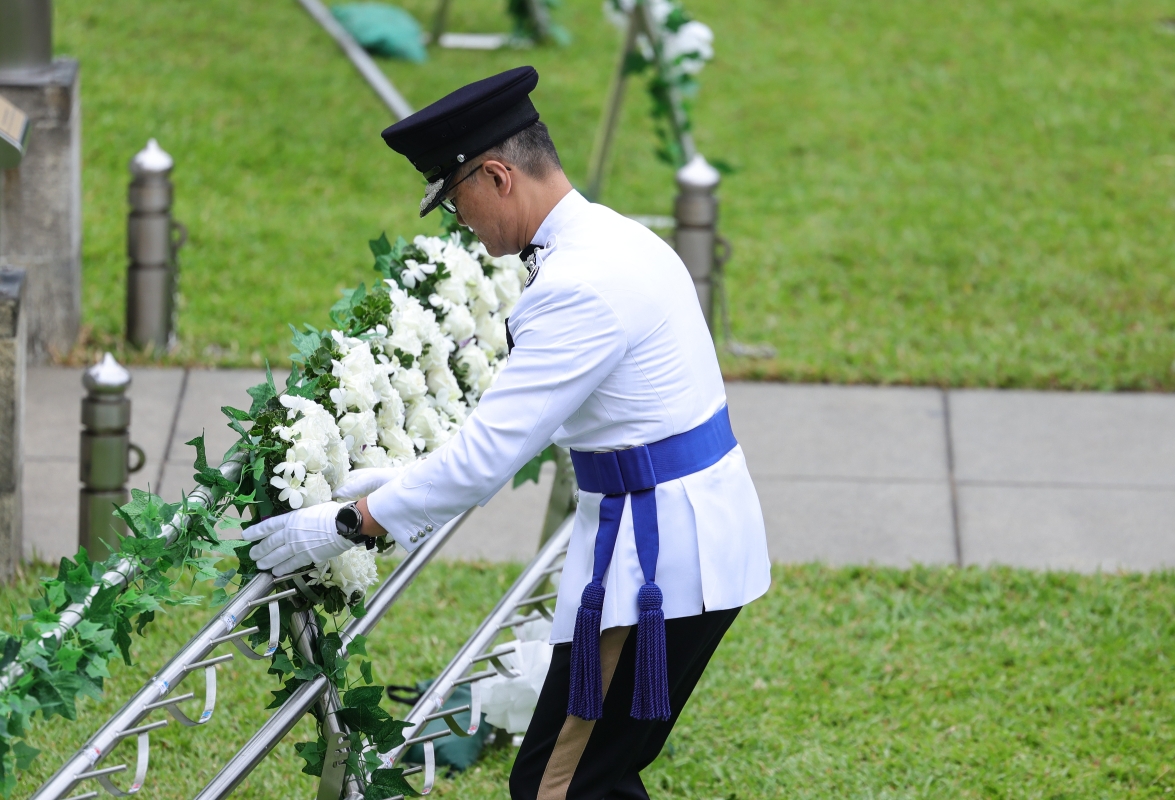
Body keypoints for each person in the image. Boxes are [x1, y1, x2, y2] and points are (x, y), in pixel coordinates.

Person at [243, 65, 771, 800]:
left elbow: (486, 459)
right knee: (587, 779)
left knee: (562, 787)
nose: (458, 221)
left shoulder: (576, 285)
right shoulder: (611, 238)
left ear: (496, 176)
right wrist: (404, 484)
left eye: (455, 200)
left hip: (656, 560)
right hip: (679, 538)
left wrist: (348, 522)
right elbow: (557, 419)